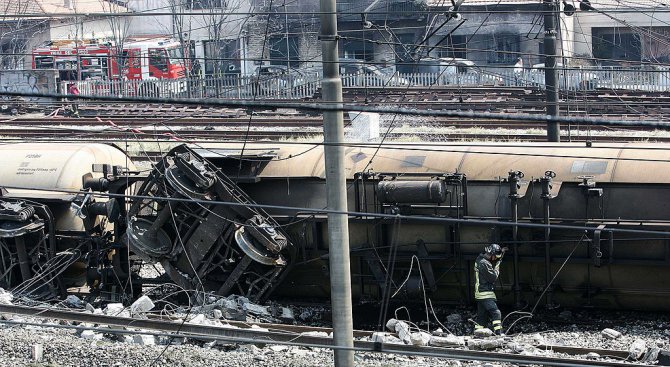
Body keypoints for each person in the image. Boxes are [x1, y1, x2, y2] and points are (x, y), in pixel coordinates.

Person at [474, 243, 507, 335]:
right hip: (485, 293)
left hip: (479, 294)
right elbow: (493, 277)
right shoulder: (484, 263)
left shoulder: (480, 259)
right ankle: (499, 333)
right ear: (491, 254)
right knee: (496, 313)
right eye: (495, 256)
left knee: (482, 317)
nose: (495, 258)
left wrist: (501, 253)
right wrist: (497, 266)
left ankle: (478, 333)